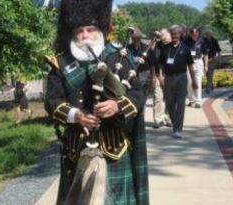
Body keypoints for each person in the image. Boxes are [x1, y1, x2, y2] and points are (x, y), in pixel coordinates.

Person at [44, 0, 149, 204]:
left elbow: (138, 93)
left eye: (90, 29)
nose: (84, 36)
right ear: (71, 33)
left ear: (100, 29)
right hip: (78, 151)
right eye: (79, 30)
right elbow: (52, 101)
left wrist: (118, 105)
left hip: (115, 150)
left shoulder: (118, 57)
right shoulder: (60, 63)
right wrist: (77, 116)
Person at [159, 25, 198, 138]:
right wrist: (161, 77)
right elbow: (161, 64)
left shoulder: (185, 48)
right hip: (169, 78)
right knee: (170, 103)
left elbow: (190, 66)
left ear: (180, 35)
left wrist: (194, 81)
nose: (174, 36)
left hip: (181, 78)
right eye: (172, 34)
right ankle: (176, 123)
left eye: (176, 34)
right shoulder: (165, 48)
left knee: (180, 104)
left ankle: (178, 129)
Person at [151, 28, 172, 128]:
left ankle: (169, 118)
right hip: (159, 75)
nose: (162, 37)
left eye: (164, 35)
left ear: (169, 35)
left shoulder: (173, 45)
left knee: (170, 98)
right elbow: (152, 58)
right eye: (161, 35)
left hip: (170, 75)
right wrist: (155, 77)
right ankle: (157, 120)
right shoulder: (157, 45)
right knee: (158, 97)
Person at [128, 28, 155, 104]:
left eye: (137, 38)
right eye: (134, 38)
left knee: (143, 95)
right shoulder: (128, 48)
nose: (136, 40)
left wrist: (153, 78)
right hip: (131, 74)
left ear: (140, 38)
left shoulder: (146, 48)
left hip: (144, 74)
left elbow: (152, 64)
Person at [185, 27, 208, 108]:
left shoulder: (201, 41)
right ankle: (191, 100)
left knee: (198, 82)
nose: (195, 36)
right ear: (190, 34)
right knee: (189, 82)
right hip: (189, 63)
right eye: (193, 35)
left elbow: (205, 54)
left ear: (198, 34)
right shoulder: (186, 41)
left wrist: (206, 66)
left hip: (198, 62)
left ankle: (198, 101)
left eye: (196, 34)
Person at [203, 29, 221, 94]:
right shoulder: (203, 40)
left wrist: (218, 57)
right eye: (207, 34)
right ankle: (211, 85)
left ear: (211, 34)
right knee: (207, 73)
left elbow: (218, 50)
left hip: (212, 59)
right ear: (205, 34)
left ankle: (208, 88)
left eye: (209, 34)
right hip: (204, 59)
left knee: (210, 73)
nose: (208, 35)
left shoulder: (214, 40)